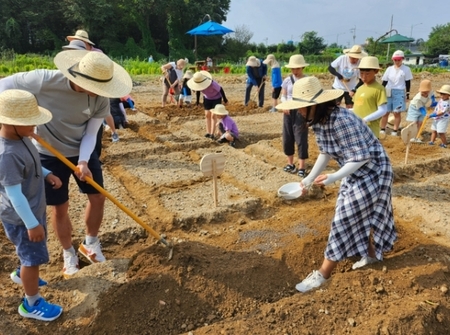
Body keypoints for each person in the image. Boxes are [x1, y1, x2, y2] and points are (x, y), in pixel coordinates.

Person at [0, 51, 132, 278]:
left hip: (82, 149)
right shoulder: (44, 80)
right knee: (60, 207)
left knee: (97, 196)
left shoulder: (101, 96)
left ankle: (90, 243)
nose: (100, 94)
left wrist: (82, 161)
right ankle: (68, 252)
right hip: (48, 153)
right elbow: (5, 86)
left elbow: (91, 133)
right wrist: (14, 121)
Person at [276, 76, 396, 293]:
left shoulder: (342, 119)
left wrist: (334, 177)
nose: (300, 112)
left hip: (374, 171)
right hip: (354, 171)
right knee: (348, 212)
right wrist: (308, 180)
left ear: (317, 105)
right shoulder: (319, 122)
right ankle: (370, 255)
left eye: (303, 108)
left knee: (344, 218)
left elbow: (362, 157)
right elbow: (326, 152)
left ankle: (322, 274)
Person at [0, 89, 63, 321]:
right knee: (32, 258)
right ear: (9, 122)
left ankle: (22, 273)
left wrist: (46, 174)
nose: (34, 128)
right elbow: (15, 195)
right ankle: (31, 302)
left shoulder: (22, 139)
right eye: (29, 123)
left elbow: (31, 166)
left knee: (27, 252)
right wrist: (32, 224)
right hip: (22, 217)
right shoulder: (7, 154)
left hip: (32, 210)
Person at [64, 31, 119, 144]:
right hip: (81, 90)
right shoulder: (75, 54)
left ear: (85, 42)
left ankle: (113, 132)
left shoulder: (97, 54)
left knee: (103, 113)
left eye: (79, 41)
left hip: (96, 88)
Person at [280, 54, 309, 177]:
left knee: (301, 138)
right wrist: (285, 104)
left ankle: (302, 166)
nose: (295, 71)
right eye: (293, 69)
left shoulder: (307, 81)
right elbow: (283, 95)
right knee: (287, 137)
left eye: (297, 68)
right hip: (288, 111)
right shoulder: (287, 80)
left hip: (301, 111)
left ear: (302, 67)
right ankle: (290, 164)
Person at [352, 56, 388, 138]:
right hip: (357, 130)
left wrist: (365, 119)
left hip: (370, 131)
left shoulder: (379, 89)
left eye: (367, 74)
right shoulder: (359, 89)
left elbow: (383, 110)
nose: (364, 77)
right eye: (361, 73)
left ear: (376, 71)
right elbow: (356, 107)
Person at [380, 50, 413, 137]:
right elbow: (384, 81)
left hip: (399, 91)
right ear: (392, 59)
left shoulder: (406, 69)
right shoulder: (389, 69)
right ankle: (382, 129)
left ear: (402, 59)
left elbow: (407, 82)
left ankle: (395, 130)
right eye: (395, 60)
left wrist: (408, 94)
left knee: (396, 112)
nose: (397, 61)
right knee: (385, 112)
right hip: (388, 91)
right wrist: (380, 91)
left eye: (399, 59)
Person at [187, 70, 228, 139]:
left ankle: (212, 134)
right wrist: (197, 102)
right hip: (207, 98)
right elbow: (198, 92)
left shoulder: (212, 83)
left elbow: (220, 89)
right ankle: (208, 132)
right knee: (207, 115)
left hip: (216, 98)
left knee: (213, 115)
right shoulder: (198, 84)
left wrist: (225, 99)